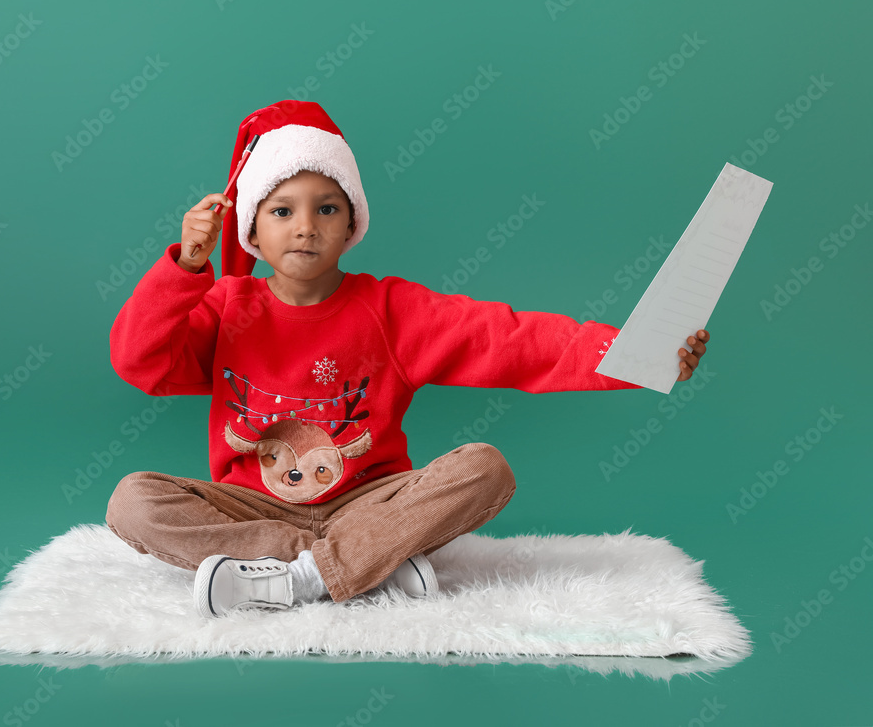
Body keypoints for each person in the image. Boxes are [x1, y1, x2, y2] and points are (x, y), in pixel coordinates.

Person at [105, 99, 710, 619]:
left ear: (351, 227)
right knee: (133, 500)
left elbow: (512, 340)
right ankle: (361, 565)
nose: (306, 227)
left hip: (372, 500)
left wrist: (637, 354)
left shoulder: (390, 310)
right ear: (252, 233)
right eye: (283, 210)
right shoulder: (224, 307)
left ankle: (298, 576)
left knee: (485, 467)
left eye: (327, 208)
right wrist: (184, 270)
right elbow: (140, 360)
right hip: (255, 506)